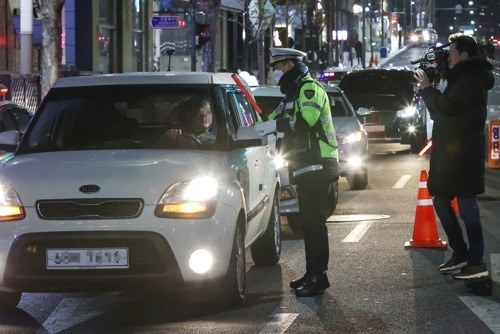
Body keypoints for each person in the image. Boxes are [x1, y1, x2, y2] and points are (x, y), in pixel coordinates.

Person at [255, 47, 339, 297]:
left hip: (319, 163)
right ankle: (312, 272)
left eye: (279, 68)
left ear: (290, 65)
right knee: (308, 222)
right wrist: (252, 129)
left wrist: (275, 125)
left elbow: (307, 121)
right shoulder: (291, 96)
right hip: (306, 165)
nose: (277, 73)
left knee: (314, 223)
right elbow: (269, 121)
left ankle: (318, 276)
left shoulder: (309, 89)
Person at [414, 33, 494, 279]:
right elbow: (441, 112)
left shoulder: (469, 80)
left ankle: (476, 261)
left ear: (464, 56)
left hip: (463, 153)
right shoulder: (459, 78)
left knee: (468, 205)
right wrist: (432, 88)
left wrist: (427, 89)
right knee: (441, 200)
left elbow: (447, 107)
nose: (447, 58)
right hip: (452, 151)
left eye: (451, 54)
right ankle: (461, 253)